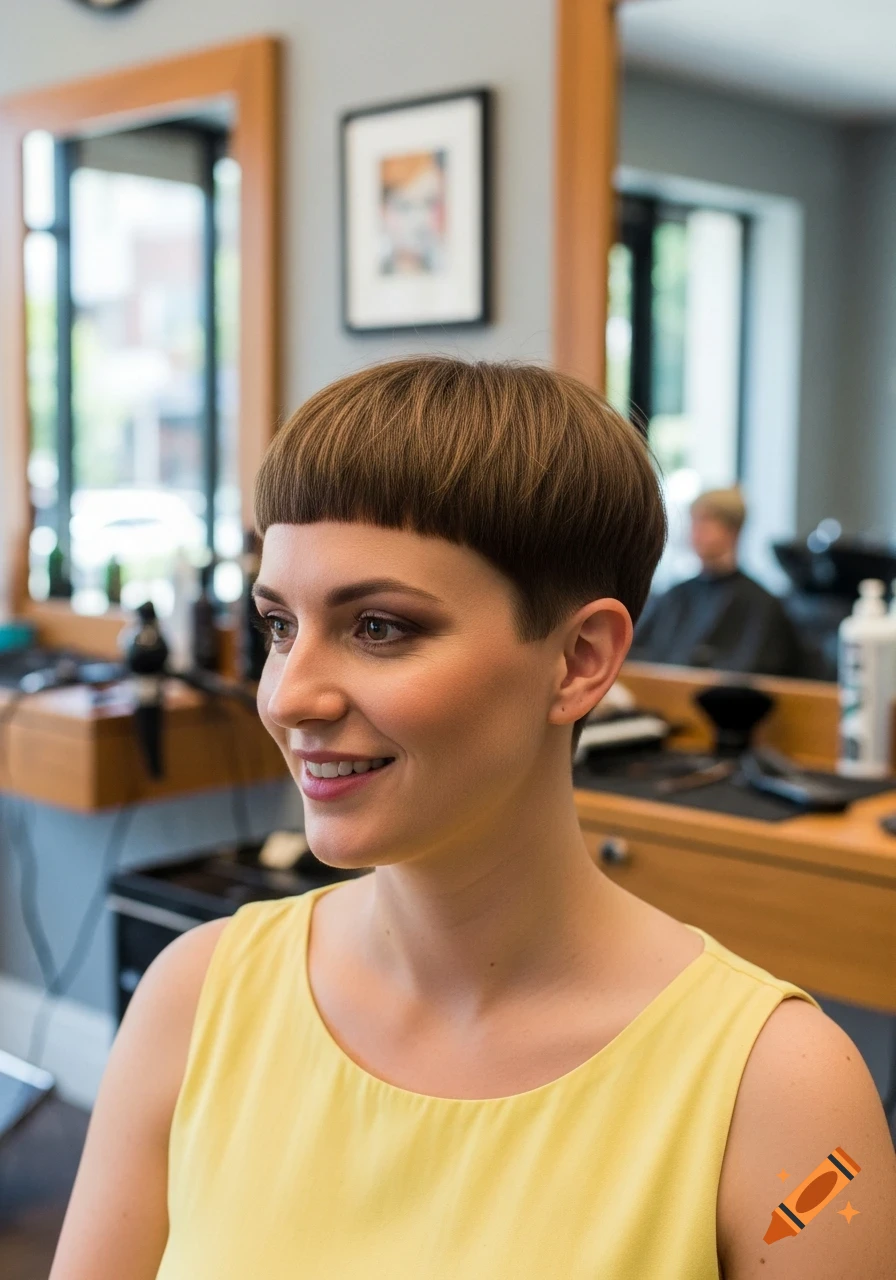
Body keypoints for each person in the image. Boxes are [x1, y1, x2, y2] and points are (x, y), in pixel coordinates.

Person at [50, 360, 895, 1279]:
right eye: (279, 626)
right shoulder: (194, 1001)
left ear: (579, 659)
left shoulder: (785, 1103)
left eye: (378, 627)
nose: (289, 697)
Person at [631, 486, 806, 675]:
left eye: (705, 523)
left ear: (733, 531)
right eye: (694, 522)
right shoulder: (673, 596)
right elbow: (639, 655)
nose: (696, 532)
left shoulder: (762, 605)